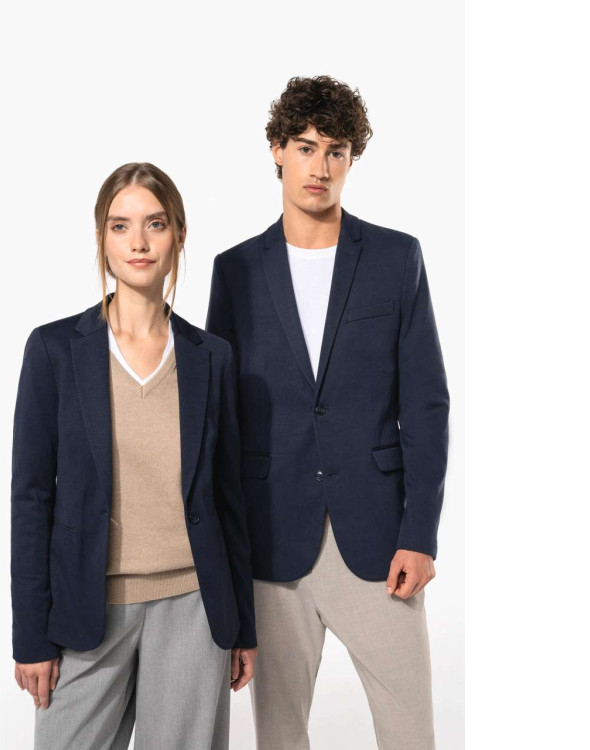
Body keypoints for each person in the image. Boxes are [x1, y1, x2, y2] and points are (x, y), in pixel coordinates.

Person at [206, 75, 449, 749]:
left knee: (410, 733)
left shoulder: (397, 258)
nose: (320, 166)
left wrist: (421, 534)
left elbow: (426, 402)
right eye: (306, 147)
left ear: (351, 159)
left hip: (379, 541)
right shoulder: (235, 271)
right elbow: (221, 420)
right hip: (272, 541)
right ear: (277, 151)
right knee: (279, 736)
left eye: (336, 150)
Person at [11, 162, 258, 750]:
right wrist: (31, 637)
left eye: (156, 223)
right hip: (86, 607)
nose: (139, 242)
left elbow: (230, 499)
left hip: (194, 606)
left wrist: (242, 626)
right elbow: (31, 500)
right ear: (102, 238)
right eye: (120, 226)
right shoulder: (53, 350)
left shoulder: (211, 357)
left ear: (179, 236)